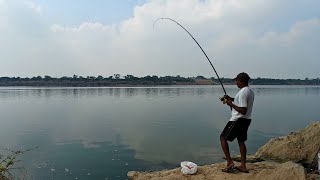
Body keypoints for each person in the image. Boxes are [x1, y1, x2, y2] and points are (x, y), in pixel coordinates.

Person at [220, 72, 254, 173]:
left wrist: (230, 103)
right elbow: (240, 102)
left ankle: (230, 162)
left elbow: (243, 110)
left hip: (238, 120)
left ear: (241, 81)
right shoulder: (250, 91)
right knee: (241, 141)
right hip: (246, 120)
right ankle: (243, 165)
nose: (236, 82)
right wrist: (231, 99)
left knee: (222, 138)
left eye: (237, 80)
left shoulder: (243, 92)